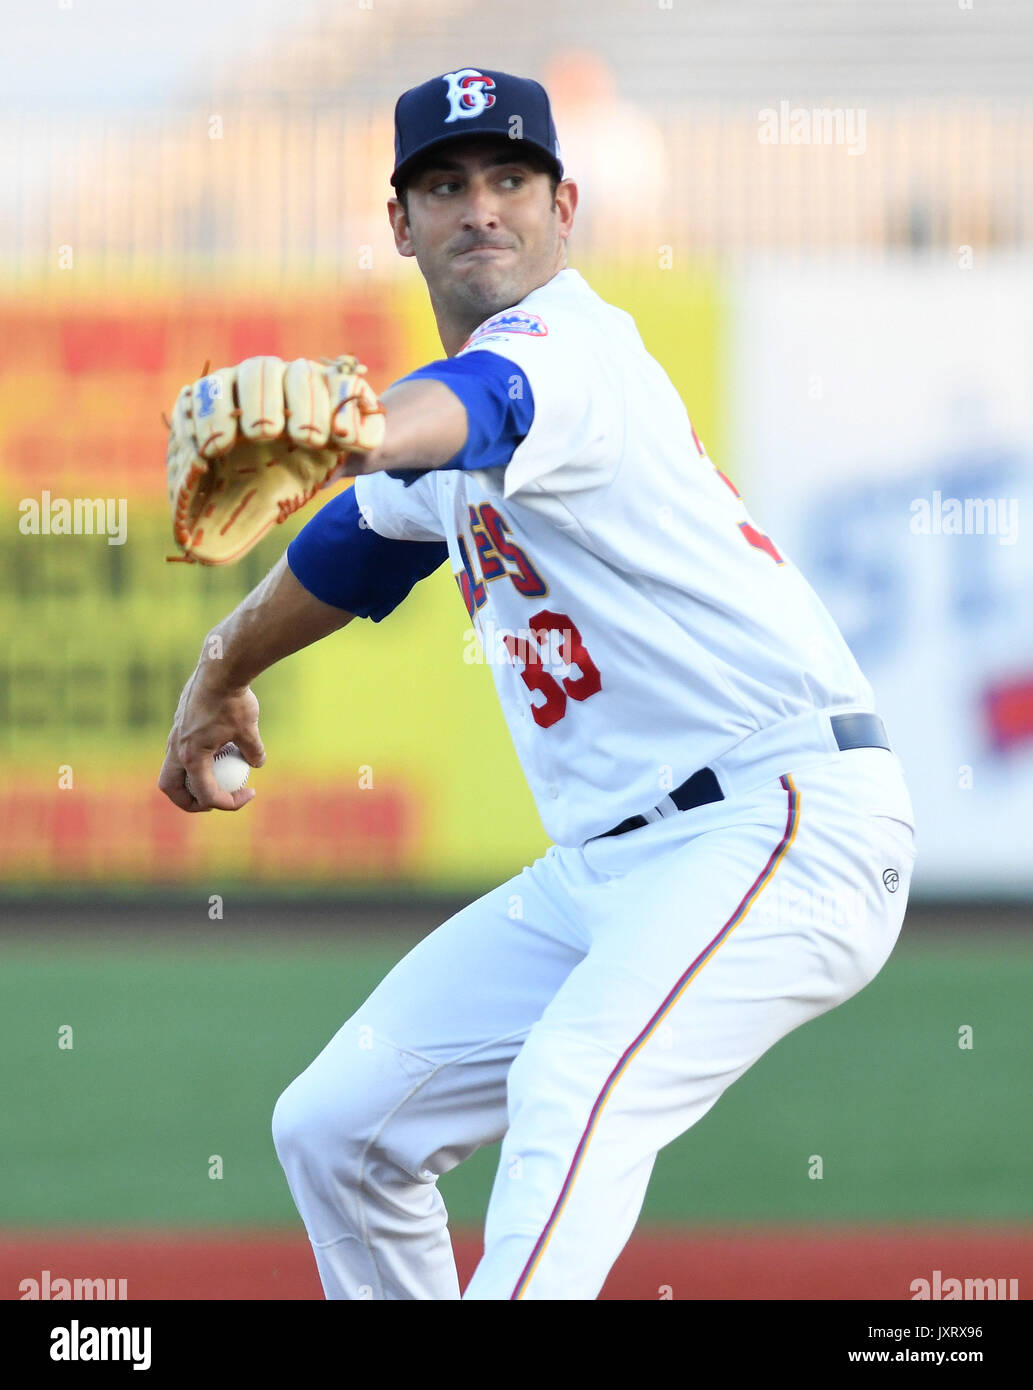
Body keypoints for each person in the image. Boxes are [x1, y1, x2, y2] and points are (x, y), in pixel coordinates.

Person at [159, 68, 917, 1301]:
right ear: (398, 225)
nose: (481, 209)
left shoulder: (574, 351)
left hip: (784, 818)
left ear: (565, 206)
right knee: (339, 1126)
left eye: (510, 178)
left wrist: (361, 419)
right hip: (611, 868)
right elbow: (353, 542)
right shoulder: (435, 439)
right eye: (444, 185)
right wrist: (216, 669)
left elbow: (483, 403)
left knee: (570, 1083)